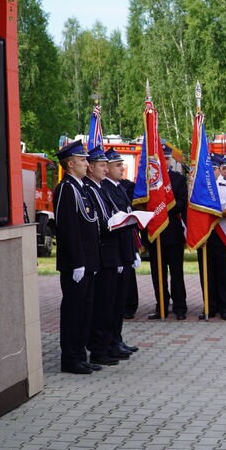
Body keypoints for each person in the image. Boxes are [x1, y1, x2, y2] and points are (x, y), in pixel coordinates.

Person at [54, 140, 101, 374]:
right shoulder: (66, 188)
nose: (87, 163)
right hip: (77, 263)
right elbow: (67, 227)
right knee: (74, 311)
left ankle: (80, 355)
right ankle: (70, 359)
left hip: (89, 260)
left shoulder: (81, 187)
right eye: (83, 160)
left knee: (85, 310)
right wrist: (77, 262)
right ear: (70, 164)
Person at [83, 146, 128, 366]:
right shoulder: (88, 188)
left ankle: (107, 344)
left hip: (112, 253)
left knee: (110, 304)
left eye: (104, 165)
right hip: (102, 254)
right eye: (102, 165)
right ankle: (100, 349)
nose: (104, 169)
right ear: (90, 168)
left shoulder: (99, 188)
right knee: (102, 306)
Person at [102, 148, 140, 354]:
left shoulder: (119, 187)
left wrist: (132, 251)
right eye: (117, 165)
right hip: (114, 253)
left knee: (119, 301)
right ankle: (111, 342)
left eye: (121, 164)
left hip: (125, 251)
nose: (122, 168)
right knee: (112, 303)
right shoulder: (105, 189)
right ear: (106, 168)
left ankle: (117, 338)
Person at [147, 143, 188, 319]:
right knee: (158, 274)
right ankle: (161, 306)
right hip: (156, 234)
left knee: (177, 273)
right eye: (161, 158)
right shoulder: (150, 181)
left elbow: (182, 203)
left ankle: (180, 307)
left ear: (170, 159)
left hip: (173, 233)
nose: (164, 161)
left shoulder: (178, 179)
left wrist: (163, 208)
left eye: (166, 158)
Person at [201, 155, 226, 320]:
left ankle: (225, 307)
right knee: (206, 271)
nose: (211, 172)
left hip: (221, 232)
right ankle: (209, 306)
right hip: (205, 233)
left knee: (222, 272)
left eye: (214, 169)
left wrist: (218, 213)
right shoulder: (199, 188)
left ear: (219, 169)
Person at [119, 177, 140, 319]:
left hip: (127, 235)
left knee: (128, 275)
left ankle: (129, 306)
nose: (121, 169)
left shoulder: (126, 186)